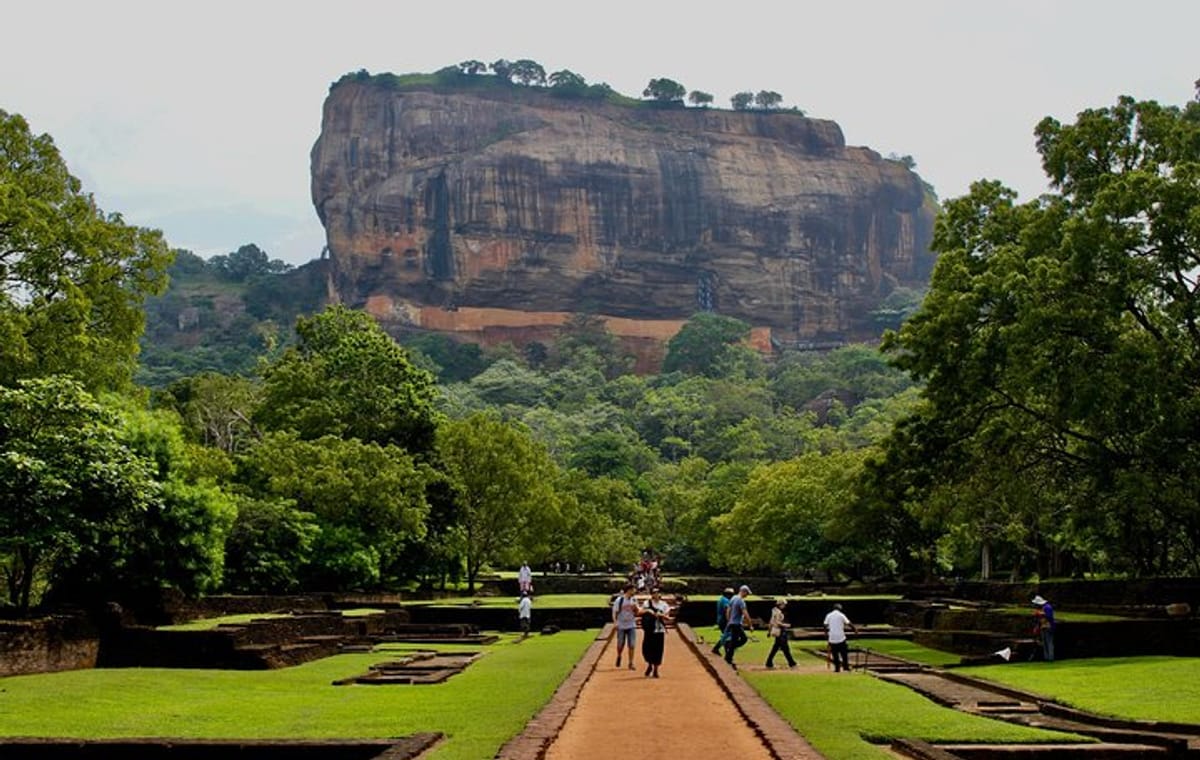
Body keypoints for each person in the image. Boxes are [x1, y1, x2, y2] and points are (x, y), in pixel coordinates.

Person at [640, 589, 671, 677]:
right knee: (647, 649)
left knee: (658, 650)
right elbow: (641, 612)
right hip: (649, 629)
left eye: (657, 592)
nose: (656, 594)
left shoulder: (664, 605)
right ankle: (650, 664)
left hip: (659, 630)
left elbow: (667, 616)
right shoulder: (647, 603)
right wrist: (648, 611)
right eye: (654, 593)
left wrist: (660, 615)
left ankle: (656, 670)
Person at [724, 585, 753, 669]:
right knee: (743, 639)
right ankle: (728, 651)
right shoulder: (740, 601)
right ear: (743, 591)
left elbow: (728, 610)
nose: (747, 595)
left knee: (734, 641)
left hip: (732, 623)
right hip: (736, 624)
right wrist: (750, 625)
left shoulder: (733, 598)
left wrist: (729, 620)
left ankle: (728, 657)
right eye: (747, 593)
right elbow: (745, 613)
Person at [823, 602, 857, 672]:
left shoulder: (828, 615)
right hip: (841, 637)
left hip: (832, 637)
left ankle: (837, 668)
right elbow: (848, 623)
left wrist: (826, 634)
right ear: (839, 609)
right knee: (844, 653)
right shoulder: (841, 615)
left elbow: (825, 625)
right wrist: (855, 630)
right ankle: (845, 667)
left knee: (835, 654)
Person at [612, 583, 638, 670]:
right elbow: (614, 612)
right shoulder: (619, 600)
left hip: (631, 624)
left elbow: (637, 612)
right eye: (633, 589)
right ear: (629, 590)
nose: (634, 591)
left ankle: (631, 663)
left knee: (632, 644)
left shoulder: (634, 600)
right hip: (621, 625)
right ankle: (619, 655)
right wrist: (615, 622)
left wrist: (635, 608)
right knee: (620, 644)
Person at [765, 598, 796, 668]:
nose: (784, 606)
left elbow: (771, 622)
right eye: (784, 604)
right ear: (780, 604)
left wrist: (769, 631)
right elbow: (778, 623)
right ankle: (792, 663)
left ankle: (769, 662)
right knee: (785, 648)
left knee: (776, 648)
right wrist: (786, 625)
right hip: (780, 631)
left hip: (777, 631)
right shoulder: (778, 612)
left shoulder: (774, 611)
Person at [711, 587, 735, 655]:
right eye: (731, 594)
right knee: (727, 636)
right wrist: (730, 620)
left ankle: (725, 651)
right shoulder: (725, 600)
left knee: (726, 635)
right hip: (724, 621)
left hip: (720, 620)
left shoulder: (721, 599)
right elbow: (726, 610)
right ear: (728, 594)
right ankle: (717, 648)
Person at [1032, 594, 1056, 661]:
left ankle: (1050, 658)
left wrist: (1040, 613)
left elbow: (1049, 617)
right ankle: (1046, 657)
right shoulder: (1042, 608)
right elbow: (1039, 620)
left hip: (1048, 626)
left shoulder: (1048, 607)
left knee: (1049, 643)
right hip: (1043, 627)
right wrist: (1037, 627)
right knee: (1045, 643)